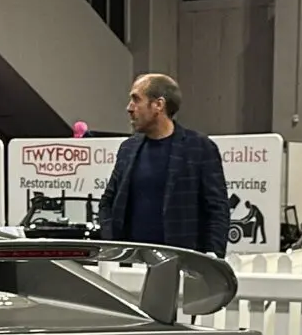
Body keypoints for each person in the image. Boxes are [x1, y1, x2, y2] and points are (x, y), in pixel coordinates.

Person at [96, 72, 230, 256]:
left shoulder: (199, 148)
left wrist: (212, 254)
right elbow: (107, 203)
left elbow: (217, 208)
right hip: (131, 263)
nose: (129, 108)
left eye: (136, 99)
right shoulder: (128, 148)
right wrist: (112, 245)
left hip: (183, 262)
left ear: (158, 105)